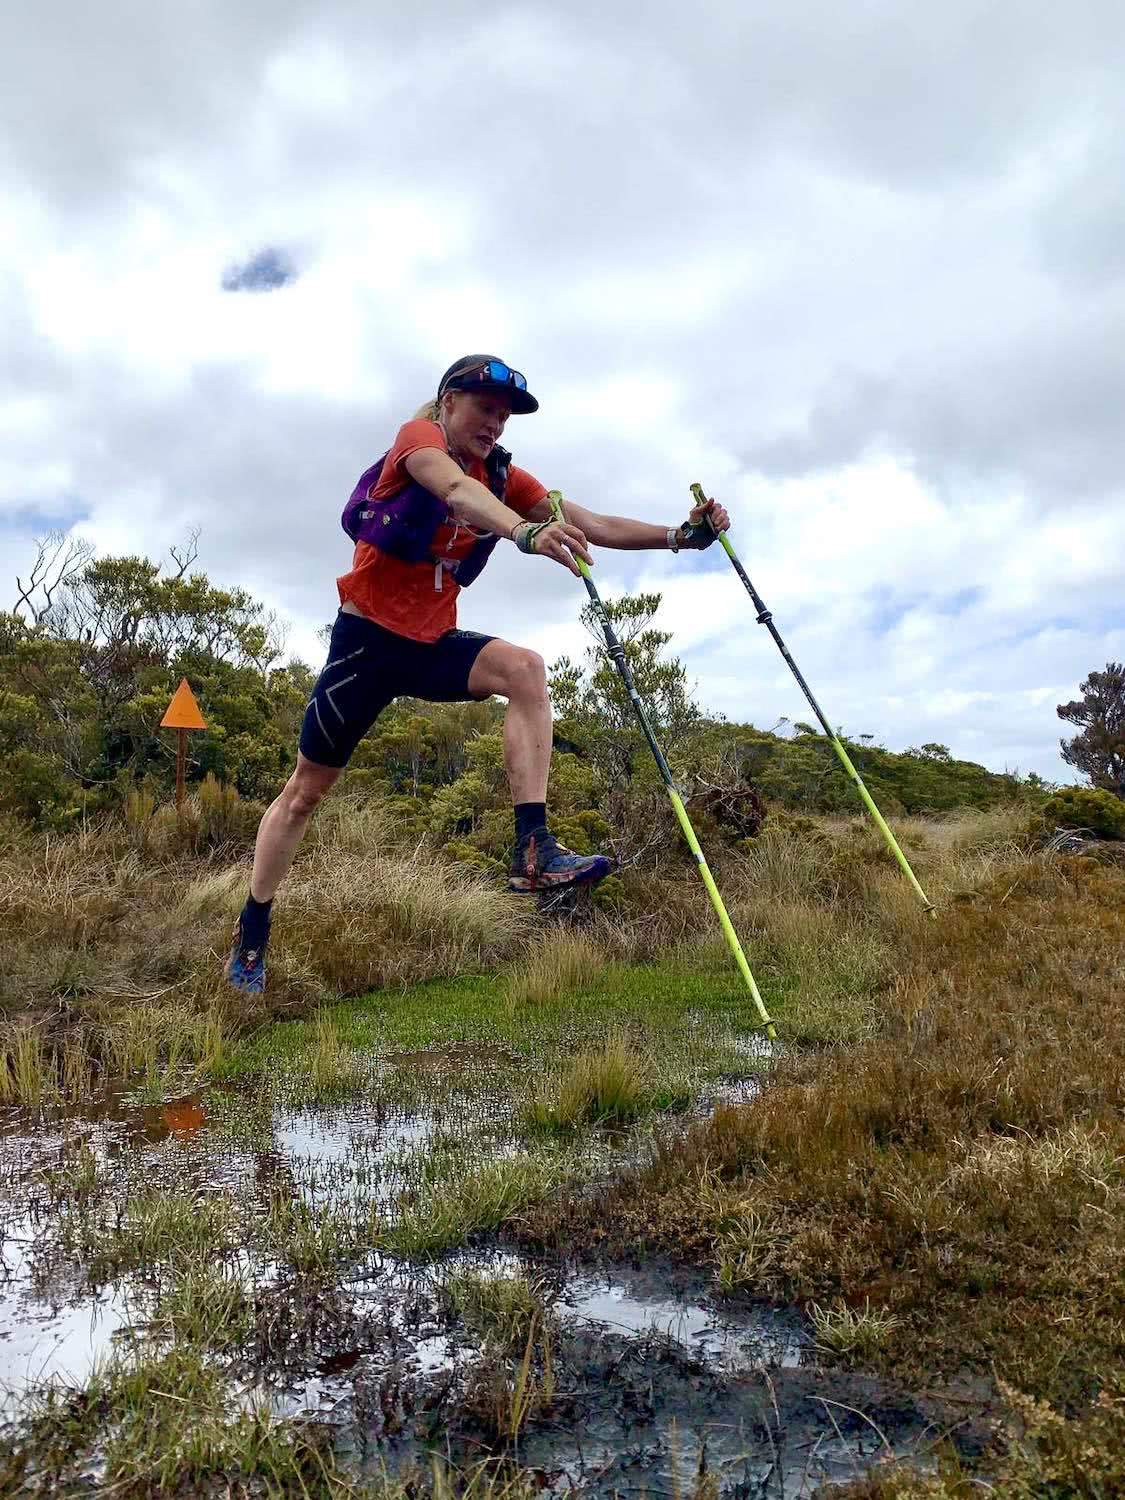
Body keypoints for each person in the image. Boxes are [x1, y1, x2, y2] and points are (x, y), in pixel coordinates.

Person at [226, 355, 728, 992]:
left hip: (432, 642)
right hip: (367, 644)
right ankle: (253, 928)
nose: (495, 421)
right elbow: (457, 493)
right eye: (484, 406)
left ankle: (532, 850)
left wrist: (685, 536)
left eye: (504, 413)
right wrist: (523, 533)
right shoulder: (419, 443)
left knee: (524, 670)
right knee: (304, 794)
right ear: (446, 402)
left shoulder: (505, 474)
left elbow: (594, 524)